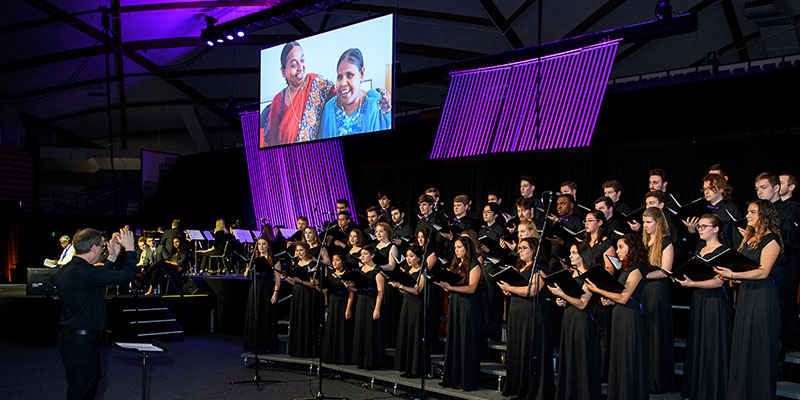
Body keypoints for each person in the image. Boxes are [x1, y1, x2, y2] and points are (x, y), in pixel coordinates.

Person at [55, 228, 136, 400]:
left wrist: (112, 257)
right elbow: (127, 275)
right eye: (101, 247)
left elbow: (98, 279)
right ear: (92, 248)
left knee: (81, 386)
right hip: (81, 342)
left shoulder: (71, 269)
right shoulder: (85, 272)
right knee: (82, 390)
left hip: (72, 339)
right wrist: (130, 250)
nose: (103, 249)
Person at [714, 199, 782, 399]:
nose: (748, 215)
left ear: (765, 215)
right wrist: (732, 275)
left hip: (762, 297)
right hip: (746, 296)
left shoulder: (772, 240)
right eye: (748, 211)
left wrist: (734, 276)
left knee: (759, 344)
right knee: (744, 345)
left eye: (752, 212)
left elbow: (763, 272)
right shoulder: (751, 238)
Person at [674, 214, 731, 400]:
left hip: (714, 301)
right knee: (699, 342)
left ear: (716, 229)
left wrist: (691, 284)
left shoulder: (723, 250)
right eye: (699, 227)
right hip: (699, 299)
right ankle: (698, 388)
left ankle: (712, 390)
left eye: (705, 226)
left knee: (712, 344)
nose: (700, 229)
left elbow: (718, 282)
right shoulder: (701, 248)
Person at [585, 234, 648, 400]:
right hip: (620, 314)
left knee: (628, 355)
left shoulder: (637, 269)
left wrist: (598, 291)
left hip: (630, 317)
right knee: (620, 356)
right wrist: (609, 300)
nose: (618, 251)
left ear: (632, 248)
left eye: (621, 247)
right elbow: (618, 296)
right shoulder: (626, 269)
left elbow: (625, 297)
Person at [497, 237, 555, 399]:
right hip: (517, 313)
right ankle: (516, 385)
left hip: (531, 313)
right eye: (519, 248)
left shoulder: (540, 268)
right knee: (517, 349)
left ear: (534, 251)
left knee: (528, 349)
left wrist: (510, 288)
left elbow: (532, 290)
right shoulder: (520, 268)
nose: (519, 251)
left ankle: (530, 388)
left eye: (524, 248)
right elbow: (518, 288)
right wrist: (507, 290)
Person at [549, 243, 601, 400]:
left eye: (573, 253)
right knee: (569, 356)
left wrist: (562, 295)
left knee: (581, 358)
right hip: (569, 318)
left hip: (581, 320)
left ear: (583, 255)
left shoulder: (590, 276)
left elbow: (582, 303)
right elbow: (572, 298)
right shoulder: (573, 274)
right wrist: (562, 301)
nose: (570, 256)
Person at [436, 237, 484, 391]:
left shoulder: (474, 264)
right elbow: (452, 285)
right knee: (455, 339)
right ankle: (453, 377)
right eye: (455, 247)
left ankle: (467, 380)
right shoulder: (456, 264)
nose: (456, 250)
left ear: (467, 248)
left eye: (459, 247)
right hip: (456, 304)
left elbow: (471, 288)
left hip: (468, 306)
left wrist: (450, 288)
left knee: (466, 340)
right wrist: (445, 286)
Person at [320, 48, 392, 139]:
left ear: (361, 74)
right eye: (339, 77)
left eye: (349, 75)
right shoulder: (329, 108)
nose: (343, 83)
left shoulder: (378, 103)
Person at [641, 206, 675, 394]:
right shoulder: (644, 242)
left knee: (656, 334)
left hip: (657, 290)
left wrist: (641, 275)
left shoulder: (666, 241)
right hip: (645, 290)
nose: (645, 226)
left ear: (658, 222)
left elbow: (665, 271)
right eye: (644, 222)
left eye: (648, 222)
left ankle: (657, 380)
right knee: (646, 333)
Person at [581, 210, 617, 381]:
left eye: (590, 220)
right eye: (585, 221)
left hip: (599, 290)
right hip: (586, 288)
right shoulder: (584, 242)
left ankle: (603, 372)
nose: (586, 224)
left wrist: (595, 278)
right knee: (589, 332)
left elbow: (610, 269)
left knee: (602, 333)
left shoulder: (606, 243)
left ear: (600, 222)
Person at [389, 247, 430, 377]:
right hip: (406, 304)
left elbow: (418, 290)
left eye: (411, 256)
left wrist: (401, 286)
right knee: (407, 334)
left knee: (416, 335)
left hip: (417, 306)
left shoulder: (423, 271)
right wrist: (399, 286)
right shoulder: (408, 270)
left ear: (418, 257)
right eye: (407, 256)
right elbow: (405, 290)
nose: (408, 259)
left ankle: (416, 369)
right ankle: (407, 367)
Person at [346, 245, 386, 369]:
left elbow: (380, 291)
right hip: (361, 301)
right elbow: (356, 290)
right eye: (361, 254)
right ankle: (361, 359)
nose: (362, 256)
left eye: (365, 254)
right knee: (361, 329)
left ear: (372, 255)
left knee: (371, 331)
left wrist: (377, 308)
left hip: (372, 302)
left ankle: (371, 361)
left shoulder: (377, 271)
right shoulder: (359, 271)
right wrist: (349, 287)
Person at [243, 237, 283, 354]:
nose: (261, 246)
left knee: (266, 315)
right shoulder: (254, 259)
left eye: (264, 244)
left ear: (268, 246)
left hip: (268, 289)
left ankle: (267, 345)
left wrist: (276, 292)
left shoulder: (274, 259)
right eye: (259, 244)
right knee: (255, 314)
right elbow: (246, 275)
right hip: (255, 288)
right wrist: (249, 268)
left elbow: (277, 278)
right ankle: (255, 344)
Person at [319, 252, 354, 364]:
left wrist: (348, 309)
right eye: (333, 260)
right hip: (332, 304)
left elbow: (351, 293)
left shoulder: (348, 274)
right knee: (332, 329)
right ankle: (331, 357)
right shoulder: (329, 276)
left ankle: (342, 358)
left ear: (342, 261)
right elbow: (325, 292)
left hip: (343, 303)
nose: (334, 263)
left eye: (337, 260)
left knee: (343, 330)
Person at [286, 242, 319, 358]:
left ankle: (307, 350)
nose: (299, 253)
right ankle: (296, 350)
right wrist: (286, 277)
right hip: (297, 293)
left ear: (306, 250)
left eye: (301, 250)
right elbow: (293, 282)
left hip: (308, 294)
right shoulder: (295, 263)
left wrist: (300, 281)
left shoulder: (312, 264)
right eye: (297, 251)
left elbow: (315, 284)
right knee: (297, 319)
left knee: (306, 320)